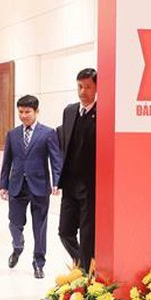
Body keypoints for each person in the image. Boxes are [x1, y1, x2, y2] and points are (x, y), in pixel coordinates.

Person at [0, 95, 62, 279]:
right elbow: (7, 161)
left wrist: (57, 181)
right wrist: (3, 184)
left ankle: (38, 263)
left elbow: (56, 160)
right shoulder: (12, 134)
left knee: (39, 227)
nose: (23, 115)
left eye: (27, 112)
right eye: (20, 112)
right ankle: (18, 246)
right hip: (16, 185)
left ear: (36, 111)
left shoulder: (48, 133)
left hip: (40, 186)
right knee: (15, 222)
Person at [58, 68, 98, 273]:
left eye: (88, 87)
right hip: (70, 185)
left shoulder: (105, 113)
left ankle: (86, 275)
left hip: (91, 187)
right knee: (64, 232)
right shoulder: (70, 111)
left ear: (97, 88)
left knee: (88, 236)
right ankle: (82, 264)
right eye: (80, 86)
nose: (83, 91)